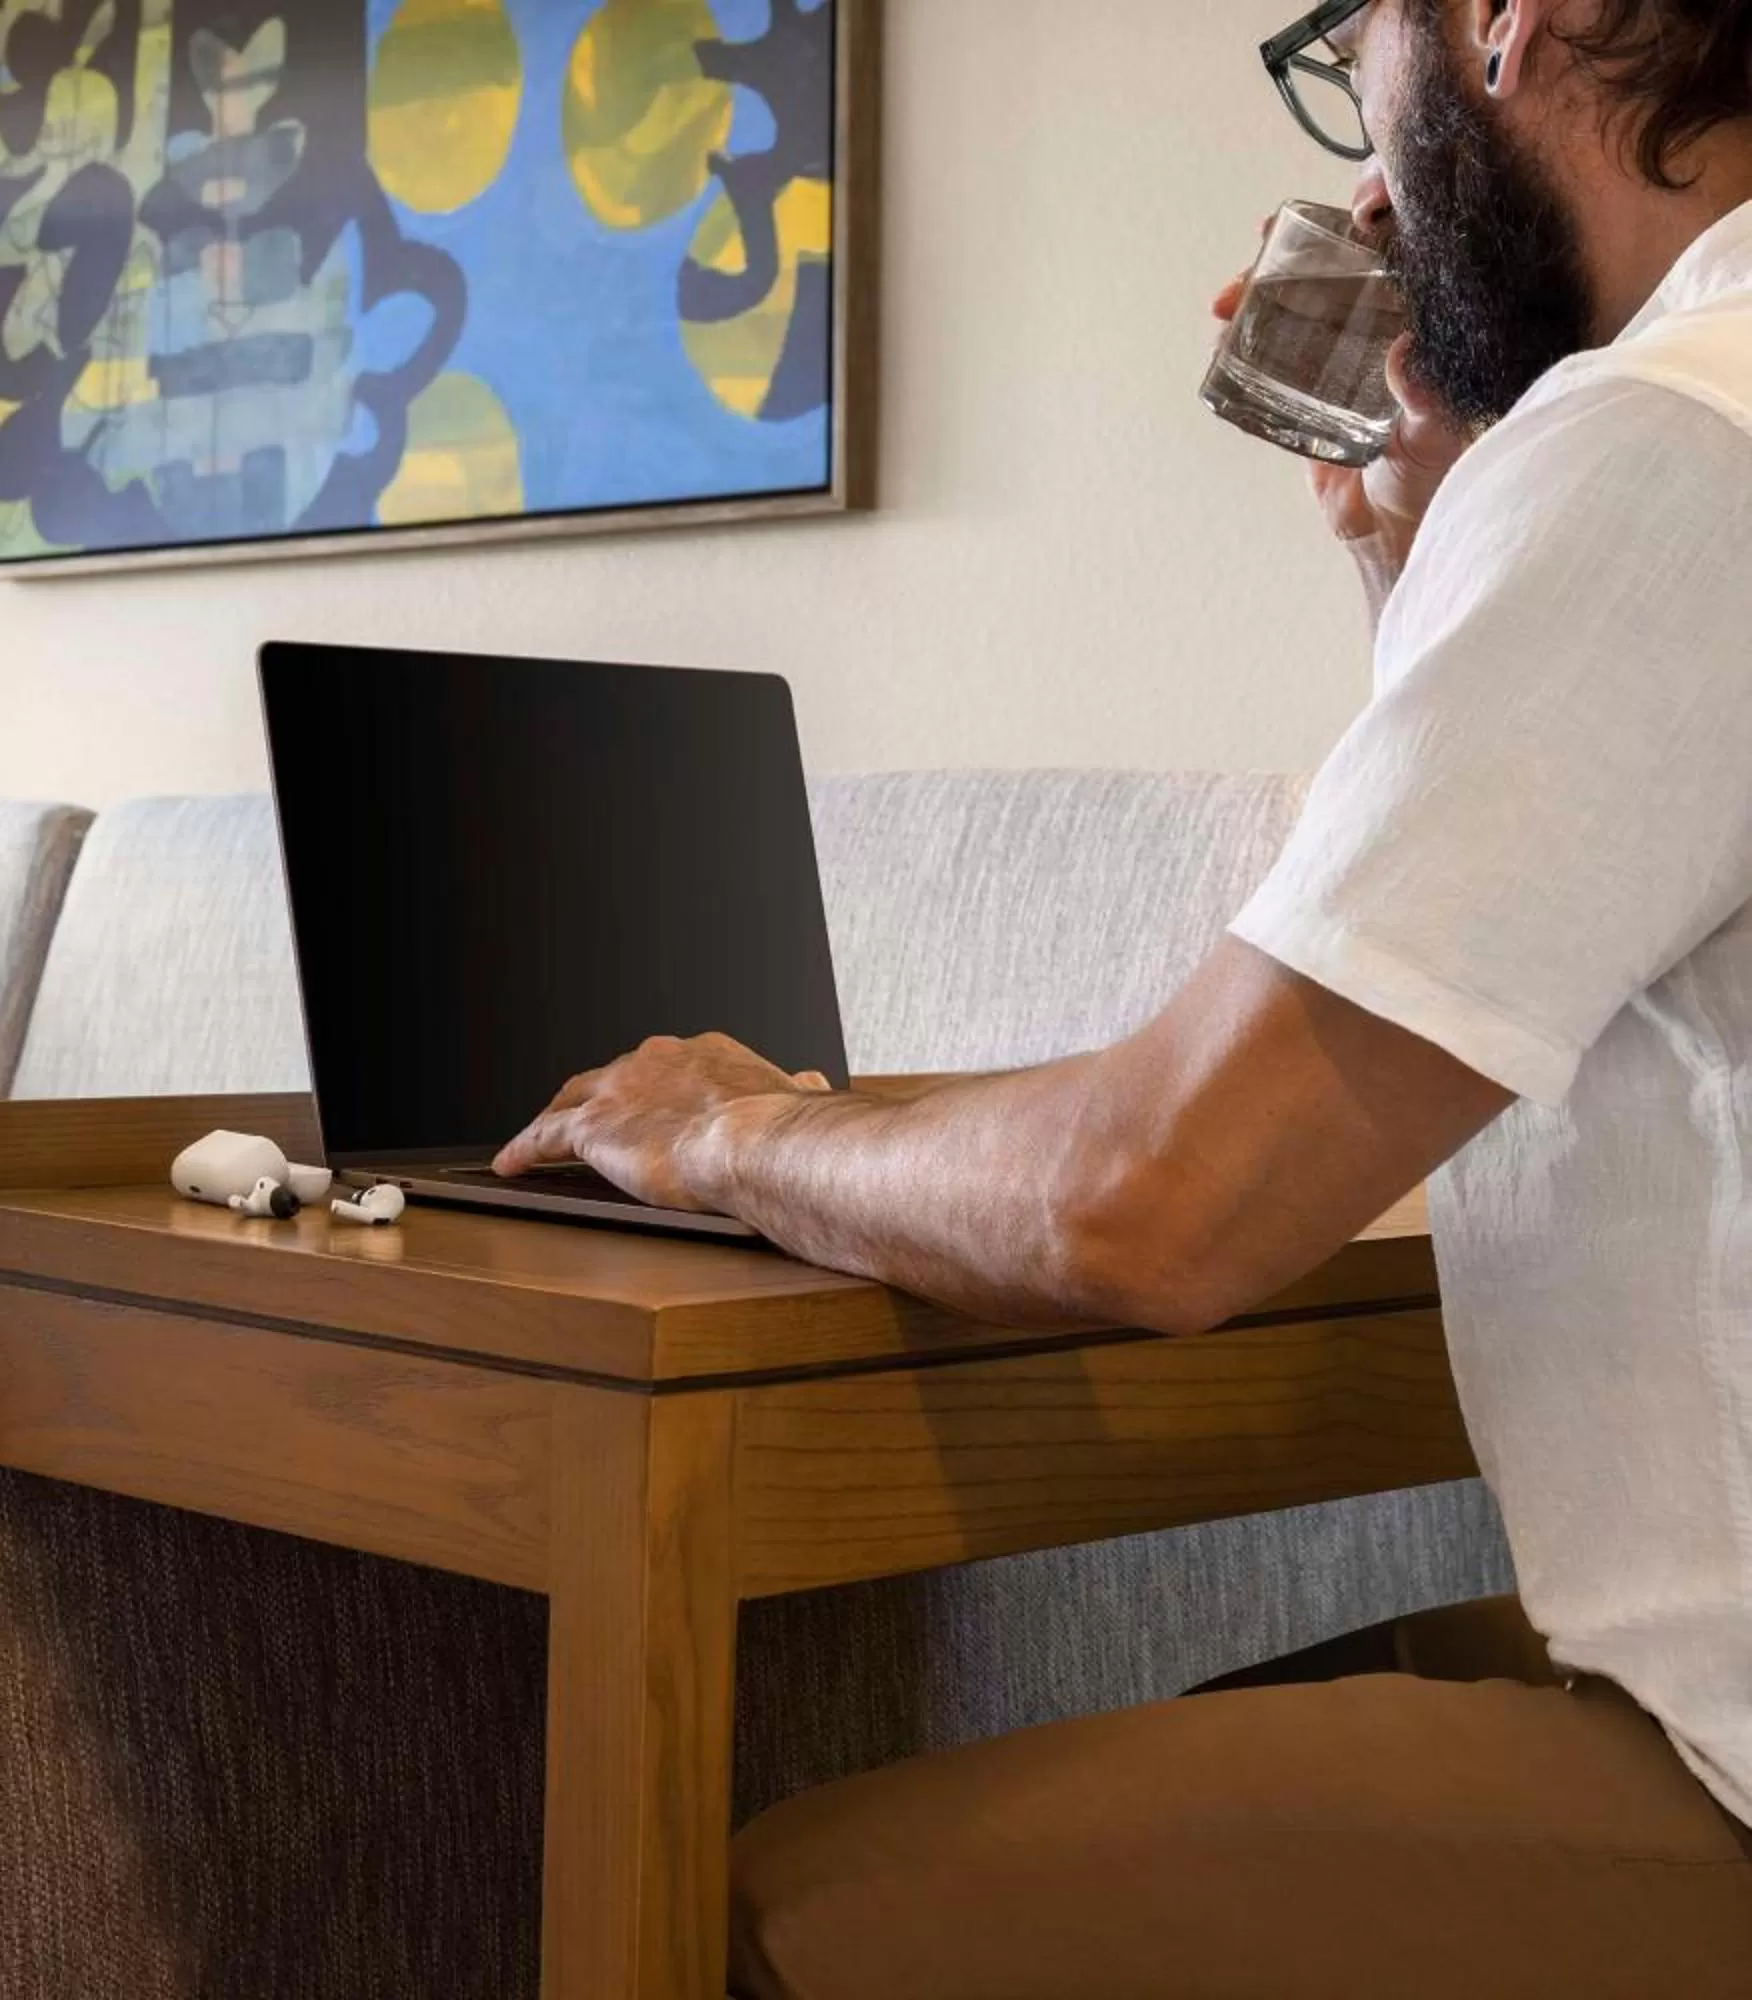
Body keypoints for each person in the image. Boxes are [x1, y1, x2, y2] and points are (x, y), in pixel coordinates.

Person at [494, 2, 1752, 1993]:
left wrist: (727, 1129)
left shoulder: (1668, 429)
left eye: (1370, 49)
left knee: (743, 1915)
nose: (1375, 143)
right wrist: (1418, 551)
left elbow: (1151, 1200)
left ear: (1512, 27)